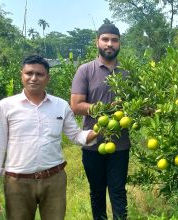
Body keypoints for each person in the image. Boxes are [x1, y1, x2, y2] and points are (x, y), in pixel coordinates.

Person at [0, 55, 98, 220]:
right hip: (17, 182)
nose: (33, 78)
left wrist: (98, 131)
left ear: (48, 78)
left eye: (39, 74)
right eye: (29, 73)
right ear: (21, 74)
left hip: (54, 180)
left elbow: (76, 135)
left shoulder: (60, 105)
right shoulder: (5, 106)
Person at [70, 24, 131, 220]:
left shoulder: (128, 72)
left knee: (118, 192)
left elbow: (138, 103)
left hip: (119, 144)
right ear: (97, 42)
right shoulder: (85, 70)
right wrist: (106, 110)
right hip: (92, 144)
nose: (110, 44)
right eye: (105, 39)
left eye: (114, 40)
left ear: (119, 43)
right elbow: (76, 105)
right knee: (97, 193)